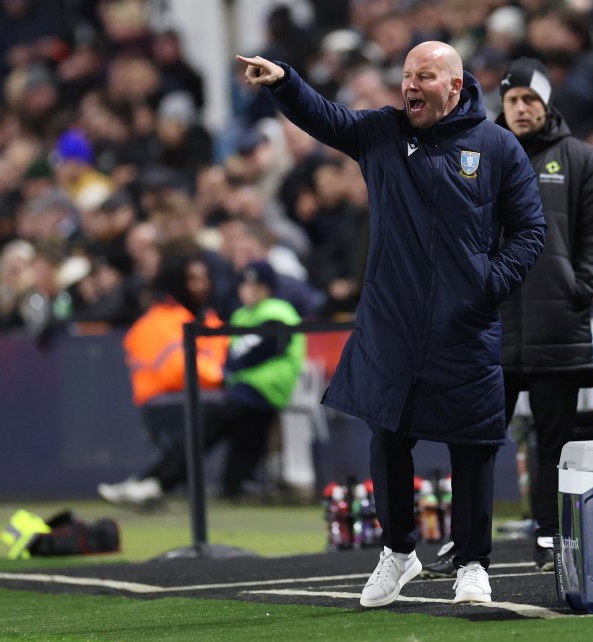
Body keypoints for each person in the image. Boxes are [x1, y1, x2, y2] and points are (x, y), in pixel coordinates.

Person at [236, 41, 545, 606]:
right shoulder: (380, 132)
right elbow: (324, 117)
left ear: (454, 87)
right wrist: (284, 81)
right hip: (391, 321)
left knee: (473, 443)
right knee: (388, 436)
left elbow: (529, 231)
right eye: (405, 75)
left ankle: (473, 563)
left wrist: (488, 284)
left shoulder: (497, 147)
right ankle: (398, 553)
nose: (410, 86)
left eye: (423, 76)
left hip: (465, 324)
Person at [424, 57, 593, 576]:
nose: (522, 108)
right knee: (476, 440)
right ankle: (465, 543)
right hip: (493, 327)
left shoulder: (579, 158)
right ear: (500, 106)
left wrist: (581, 285)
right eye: (512, 100)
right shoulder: (477, 152)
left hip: (558, 327)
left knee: (556, 445)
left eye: (530, 99)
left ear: (546, 102)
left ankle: (552, 539)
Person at [98, 258, 306, 506]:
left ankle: (154, 482)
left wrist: (228, 371)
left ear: (268, 289)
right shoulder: (242, 314)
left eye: (257, 286)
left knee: (202, 435)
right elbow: (231, 355)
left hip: (259, 391)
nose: (249, 291)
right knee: (237, 443)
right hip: (247, 392)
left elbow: (252, 354)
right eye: (246, 286)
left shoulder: (276, 311)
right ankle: (225, 487)